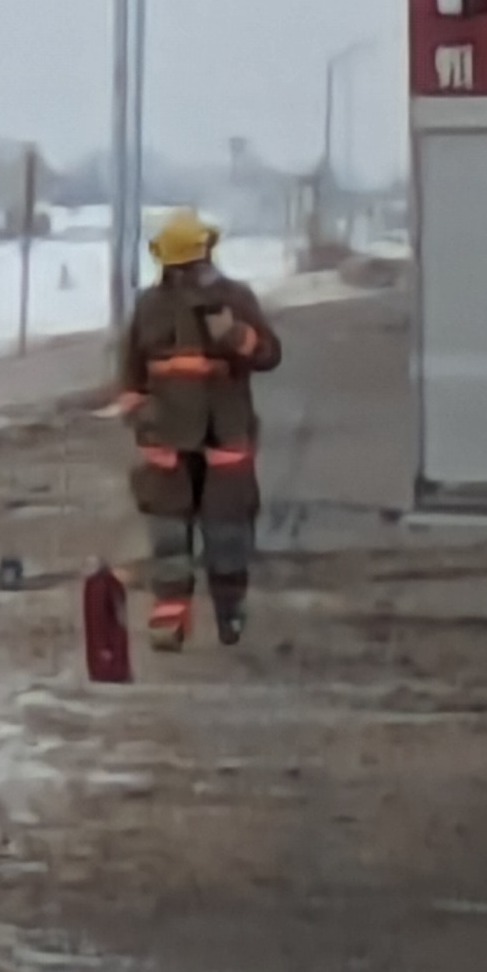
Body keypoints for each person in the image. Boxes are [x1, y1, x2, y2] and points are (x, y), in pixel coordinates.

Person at [109, 210, 282, 649]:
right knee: (169, 536)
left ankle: (230, 613)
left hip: (226, 433)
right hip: (167, 437)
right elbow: (130, 373)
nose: (198, 271)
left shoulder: (235, 299)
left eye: (200, 261)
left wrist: (236, 336)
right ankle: (170, 620)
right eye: (190, 263)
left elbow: (269, 355)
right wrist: (142, 418)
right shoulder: (150, 307)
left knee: (228, 533)